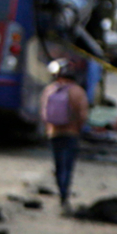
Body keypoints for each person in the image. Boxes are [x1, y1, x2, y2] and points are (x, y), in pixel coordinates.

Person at [39, 57, 89, 212]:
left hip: (54, 133)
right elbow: (83, 115)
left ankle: (61, 192)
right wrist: (78, 128)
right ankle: (64, 196)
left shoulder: (49, 90)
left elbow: (43, 114)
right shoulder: (77, 91)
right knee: (68, 167)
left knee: (59, 165)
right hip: (71, 133)